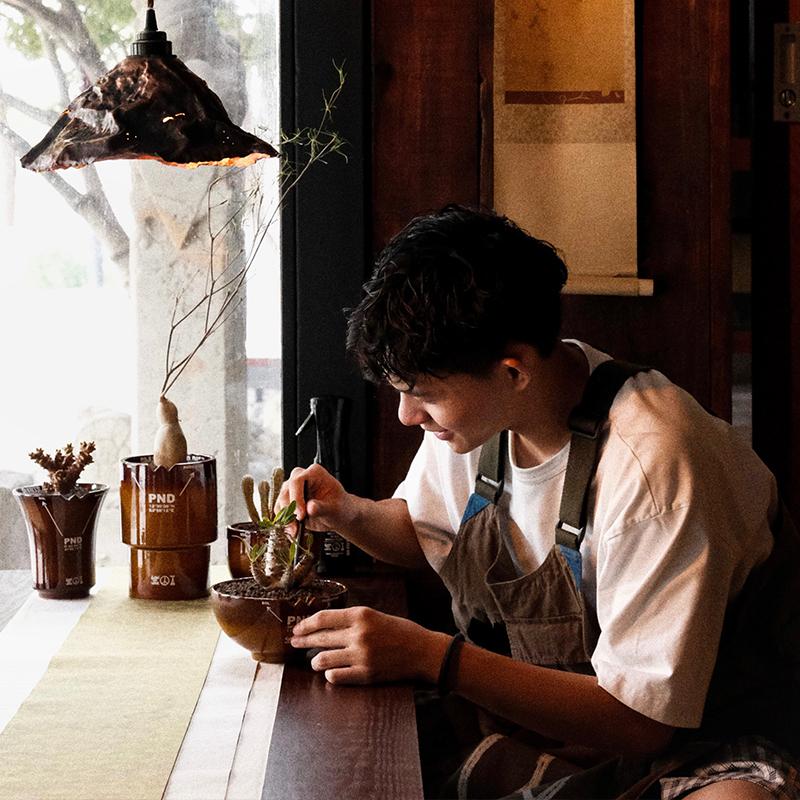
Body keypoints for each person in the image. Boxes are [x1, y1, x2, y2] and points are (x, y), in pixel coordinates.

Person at [281, 204, 800, 799]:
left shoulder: (654, 466)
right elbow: (427, 531)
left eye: (422, 394)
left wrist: (436, 658)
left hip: (707, 740)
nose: (406, 415)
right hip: (551, 729)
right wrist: (346, 513)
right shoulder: (483, 411)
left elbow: (643, 720)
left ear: (514, 370)